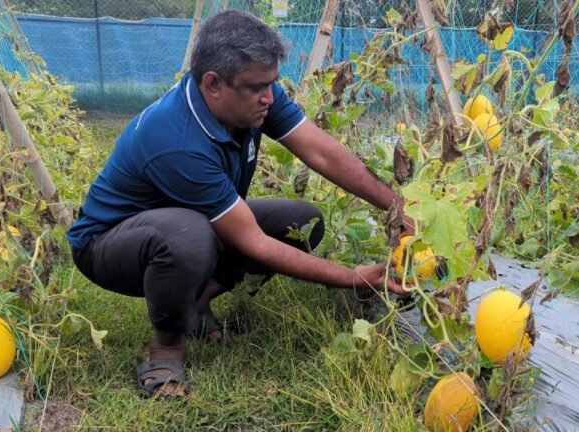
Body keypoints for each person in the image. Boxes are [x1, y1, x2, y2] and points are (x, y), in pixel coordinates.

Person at [66, 10, 410, 398]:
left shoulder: (254, 97)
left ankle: (196, 305)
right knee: (188, 237)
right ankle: (166, 348)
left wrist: (399, 207)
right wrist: (352, 276)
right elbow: (254, 243)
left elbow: (324, 154)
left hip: (185, 222)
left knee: (304, 221)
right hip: (109, 245)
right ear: (213, 84)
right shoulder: (177, 140)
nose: (270, 96)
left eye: (272, 84)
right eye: (256, 87)